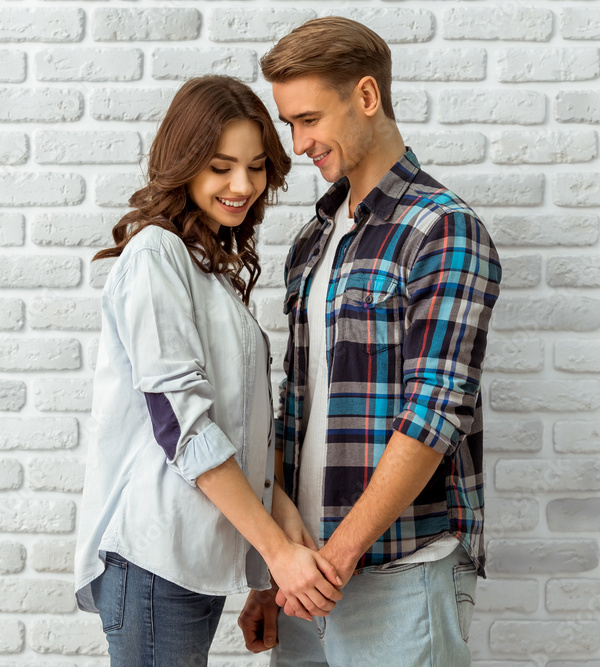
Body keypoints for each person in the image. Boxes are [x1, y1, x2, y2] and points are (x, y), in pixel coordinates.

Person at [238, 17, 502, 665]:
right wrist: (279, 570)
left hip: (398, 574)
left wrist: (337, 556)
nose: (298, 144)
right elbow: (293, 411)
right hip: (307, 579)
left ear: (365, 97)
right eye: (288, 124)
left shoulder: (442, 229)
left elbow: (433, 414)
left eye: (308, 119)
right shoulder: (312, 240)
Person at [74, 75, 344, 667]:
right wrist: (277, 554)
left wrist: (272, 559)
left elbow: (248, 424)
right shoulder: (155, 255)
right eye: (221, 166)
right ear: (185, 162)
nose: (242, 186)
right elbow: (183, 425)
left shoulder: (206, 267)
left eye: (255, 167)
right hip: (153, 561)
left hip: (190, 564)